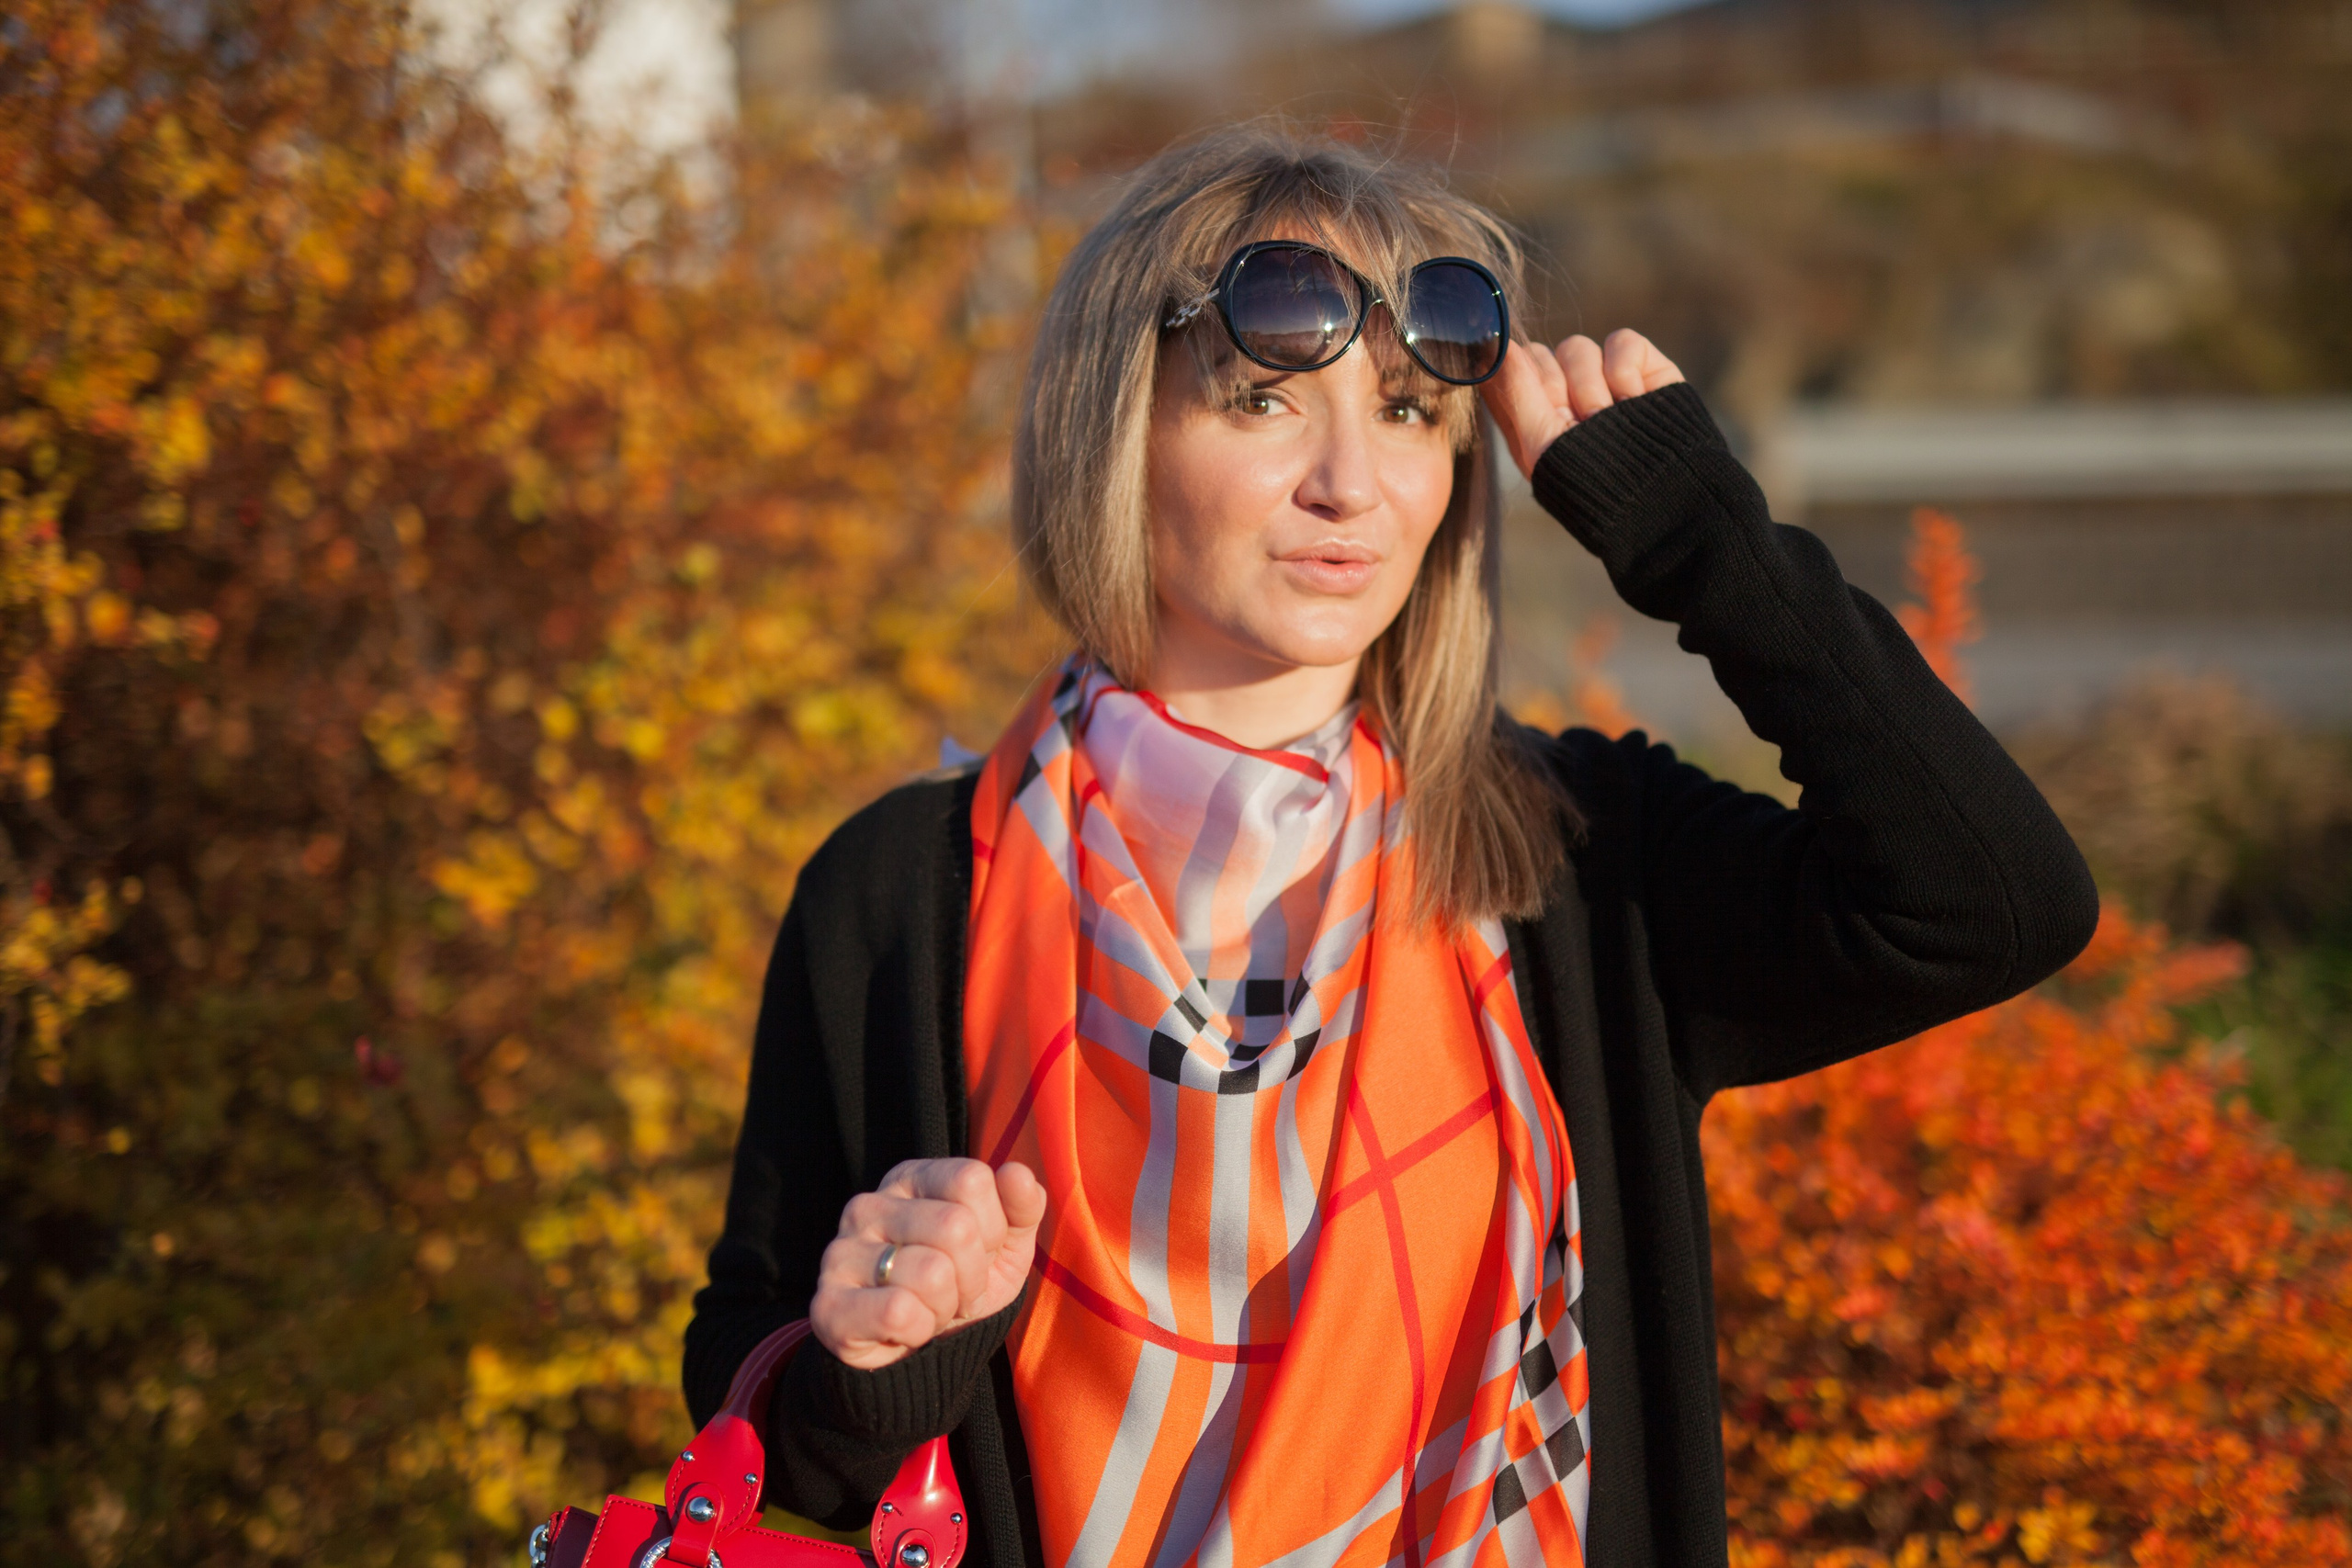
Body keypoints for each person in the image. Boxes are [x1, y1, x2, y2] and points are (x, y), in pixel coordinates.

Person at [682, 128, 2098, 1568]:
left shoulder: (1577, 861)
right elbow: (765, 1401)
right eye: (1264, 402)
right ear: (1114, 430)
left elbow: (1994, 900)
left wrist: (1701, 545)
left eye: (1414, 412)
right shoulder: (900, 894)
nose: (1351, 482)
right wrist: (875, 1372)